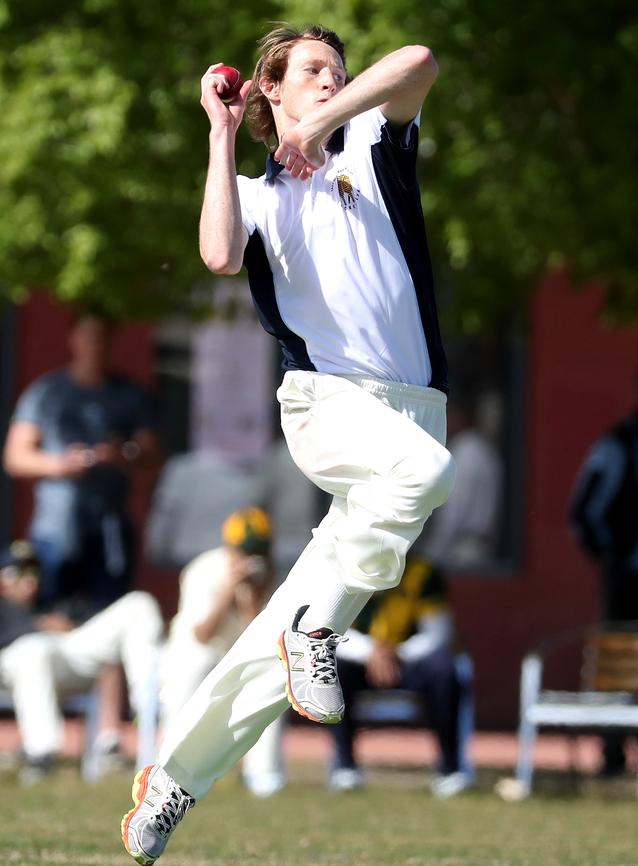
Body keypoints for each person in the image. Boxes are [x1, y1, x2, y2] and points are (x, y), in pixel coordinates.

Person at [122, 26, 456, 865]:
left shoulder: (374, 146)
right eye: (310, 71)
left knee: (279, 640)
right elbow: (219, 253)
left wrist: (322, 122)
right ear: (268, 87)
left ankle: (170, 783)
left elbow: (417, 61)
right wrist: (222, 132)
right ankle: (317, 635)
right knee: (428, 474)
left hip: (413, 414)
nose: (330, 79)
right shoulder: (259, 195)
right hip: (330, 408)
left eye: (337, 71)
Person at [3, 308, 161, 622]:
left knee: (111, 619)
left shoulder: (129, 395)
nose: (95, 344)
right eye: (88, 336)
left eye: (102, 337)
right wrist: (61, 464)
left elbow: (153, 455)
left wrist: (122, 454)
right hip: (56, 529)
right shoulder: (47, 393)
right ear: (73, 338)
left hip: (109, 529)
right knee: (50, 617)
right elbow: (16, 457)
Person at [0, 540, 163, 782]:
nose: (28, 581)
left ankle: (149, 706)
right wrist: (38, 626)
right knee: (32, 650)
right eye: (18, 573)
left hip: (67, 655)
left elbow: (89, 628)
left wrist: (63, 626)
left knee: (138, 604)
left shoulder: (53, 599)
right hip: (14, 662)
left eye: (33, 572)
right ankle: (41, 754)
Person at [159, 507, 286, 797]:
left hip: (239, 659)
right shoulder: (204, 569)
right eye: (243, 551)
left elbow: (265, 640)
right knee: (196, 661)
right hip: (196, 654)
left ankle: (263, 773)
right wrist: (229, 591)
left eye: (258, 551)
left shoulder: (278, 579)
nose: (250, 558)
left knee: (275, 673)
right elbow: (202, 635)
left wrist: (251, 598)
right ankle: (167, 762)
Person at [328, 550, 472, 798]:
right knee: (333, 670)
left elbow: (437, 634)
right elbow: (330, 630)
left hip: (409, 659)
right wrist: (371, 652)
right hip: (361, 660)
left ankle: (449, 769)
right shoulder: (345, 573)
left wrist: (396, 653)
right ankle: (345, 766)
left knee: (445, 670)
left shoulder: (422, 573)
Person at [569, 360, 638, 775]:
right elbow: (585, 512)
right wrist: (612, 559)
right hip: (631, 577)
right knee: (621, 663)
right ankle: (615, 753)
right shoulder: (618, 445)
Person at [426, 399, 503, 567]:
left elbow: (454, 511)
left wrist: (433, 554)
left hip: (463, 550)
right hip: (483, 547)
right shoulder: (484, 448)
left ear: (460, 416)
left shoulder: (465, 452)